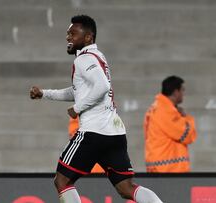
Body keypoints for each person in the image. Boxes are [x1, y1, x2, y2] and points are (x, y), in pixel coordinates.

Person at [30, 15, 163, 203]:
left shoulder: (83, 59)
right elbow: (80, 91)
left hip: (93, 133)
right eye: (68, 33)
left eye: (73, 33)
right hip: (114, 133)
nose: (68, 37)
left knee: (62, 181)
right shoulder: (98, 57)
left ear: (88, 38)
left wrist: (77, 108)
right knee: (126, 188)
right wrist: (44, 93)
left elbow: (101, 87)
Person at [143, 76, 197, 172]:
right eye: (182, 90)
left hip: (162, 169)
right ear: (176, 92)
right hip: (169, 170)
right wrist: (186, 117)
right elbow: (188, 135)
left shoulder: (157, 107)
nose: (183, 94)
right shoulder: (165, 110)